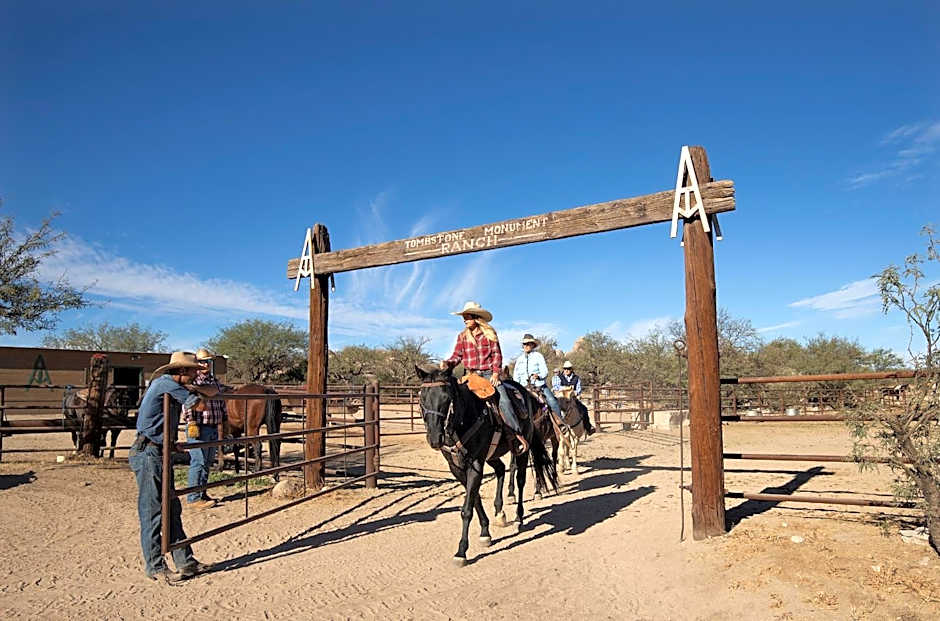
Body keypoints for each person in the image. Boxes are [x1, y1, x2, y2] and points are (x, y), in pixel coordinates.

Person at [130, 351, 215, 584]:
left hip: (158, 449)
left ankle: (185, 561)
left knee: (171, 507)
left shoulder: (170, 385)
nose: (196, 374)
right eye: (192, 371)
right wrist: (204, 389)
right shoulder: (166, 384)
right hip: (149, 452)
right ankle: (155, 566)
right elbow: (199, 405)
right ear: (181, 371)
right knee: (153, 510)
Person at [440, 301, 528, 454]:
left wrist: (495, 373)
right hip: (470, 375)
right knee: (454, 399)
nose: (465, 320)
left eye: (467, 317)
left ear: (476, 317)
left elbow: (497, 355)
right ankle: (451, 435)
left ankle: (515, 434)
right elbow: (457, 356)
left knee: (504, 401)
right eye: (464, 317)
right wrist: (448, 363)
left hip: (488, 374)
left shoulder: (489, 334)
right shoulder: (462, 337)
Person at [181, 348, 227, 509]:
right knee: (198, 461)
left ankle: (202, 492)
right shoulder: (192, 381)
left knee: (206, 462)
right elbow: (187, 404)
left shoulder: (214, 381)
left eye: (208, 361)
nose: (205, 364)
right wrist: (191, 421)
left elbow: (220, 401)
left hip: (213, 425)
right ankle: (193, 497)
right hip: (199, 426)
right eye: (202, 361)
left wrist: (224, 418)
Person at [512, 334, 566, 429]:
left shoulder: (538, 356)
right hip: (523, 388)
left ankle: (559, 422)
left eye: (528, 344)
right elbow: (516, 376)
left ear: (533, 345)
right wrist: (517, 386)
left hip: (538, 386)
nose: (526, 346)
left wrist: (539, 376)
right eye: (524, 344)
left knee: (552, 400)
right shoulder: (519, 360)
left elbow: (545, 371)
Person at [558, 360, 595, 434]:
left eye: (568, 369)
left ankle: (588, 427)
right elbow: (556, 387)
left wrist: (575, 392)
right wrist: (564, 389)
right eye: (565, 369)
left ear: (571, 369)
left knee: (584, 409)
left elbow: (578, 389)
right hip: (561, 399)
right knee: (551, 409)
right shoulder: (559, 377)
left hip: (573, 399)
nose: (566, 370)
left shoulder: (576, 378)